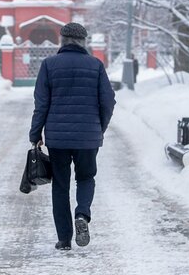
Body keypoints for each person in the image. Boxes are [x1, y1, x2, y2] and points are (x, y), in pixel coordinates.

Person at [29, 22, 116, 251]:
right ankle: (83, 215)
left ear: (63, 40)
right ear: (83, 41)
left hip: (57, 139)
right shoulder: (95, 65)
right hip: (88, 138)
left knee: (60, 185)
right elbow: (108, 101)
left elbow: (42, 103)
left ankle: (64, 239)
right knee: (86, 178)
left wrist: (35, 133)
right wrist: (100, 128)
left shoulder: (49, 65)